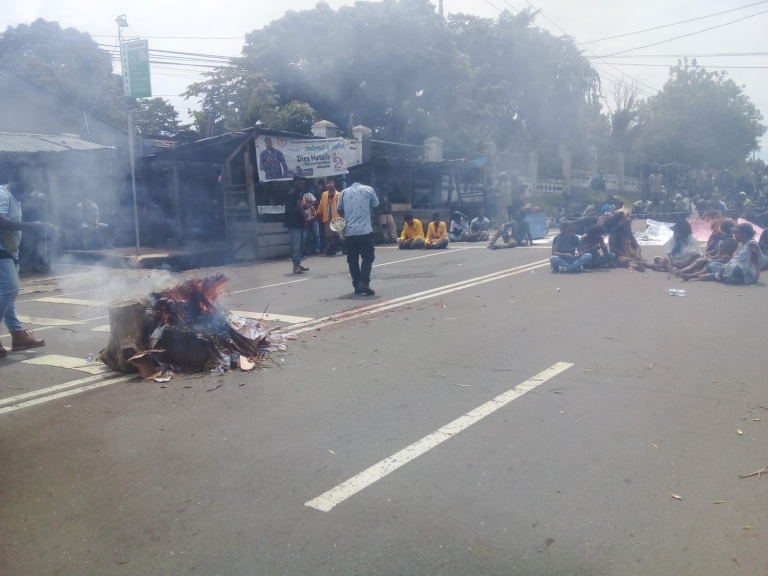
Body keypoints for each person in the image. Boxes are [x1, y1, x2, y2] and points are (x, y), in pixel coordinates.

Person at [0, 160, 58, 357]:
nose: (29, 195)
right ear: (17, 183)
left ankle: (17, 335)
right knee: (11, 289)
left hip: (8, 253)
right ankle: (16, 334)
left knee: (9, 295)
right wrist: (32, 225)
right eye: (28, 190)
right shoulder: (3, 194)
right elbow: (1, 221)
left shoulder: (15, 197)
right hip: (1, 253)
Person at [337, 181, 379, 295]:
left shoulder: (344, 193)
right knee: (368, 257)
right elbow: (375, 204)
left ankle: (356, 285)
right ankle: (364, 282)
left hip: (349, 232)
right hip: (365, 230)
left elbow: (339, 210)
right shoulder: (368, 189)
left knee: (352, 260)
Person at [688, 223, 762, 284]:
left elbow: (747, 263)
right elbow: (737, 259)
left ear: (744, 234)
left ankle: (702, 276)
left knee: (732, 268)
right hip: (736, 267)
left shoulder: (752, 244)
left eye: (736, 232)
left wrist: (729, 264)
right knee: (714, 264)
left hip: (749, 273)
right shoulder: (741, 244)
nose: (734, 235)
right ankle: (717, 275)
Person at [284, 176, 309, 274]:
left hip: (300, 222)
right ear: (294, 183)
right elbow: (288, 209)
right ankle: (296, 265)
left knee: (302, 244)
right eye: (300, 183)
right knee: (296, 246)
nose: (302, 185)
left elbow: (300, 208)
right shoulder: (291, 194)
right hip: (293, 223)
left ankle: (298, 263)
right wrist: (301, 207)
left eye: (303, 184)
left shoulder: (300, 194)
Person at [318, 180, 342, 256]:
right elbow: (321, 204)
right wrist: (319, 212)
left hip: (337, 216)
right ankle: (332, 249)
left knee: (339, 234)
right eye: (328, 183)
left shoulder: (339, 194)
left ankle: (344, 247)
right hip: (327, 217)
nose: (329, 185)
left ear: (334, 185)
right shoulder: (324, 194)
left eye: (331, 183)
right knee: (330, 235)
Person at [301, 182, 320, 255]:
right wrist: (310, 204)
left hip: (313, 217)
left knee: (316, 234)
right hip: (305, 218)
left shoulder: (309, 194)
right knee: (306, 236)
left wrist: (309, 204)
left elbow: (316, 203)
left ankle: (317, 248)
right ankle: (308, 249)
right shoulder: (300, 196)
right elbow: (303, 207)